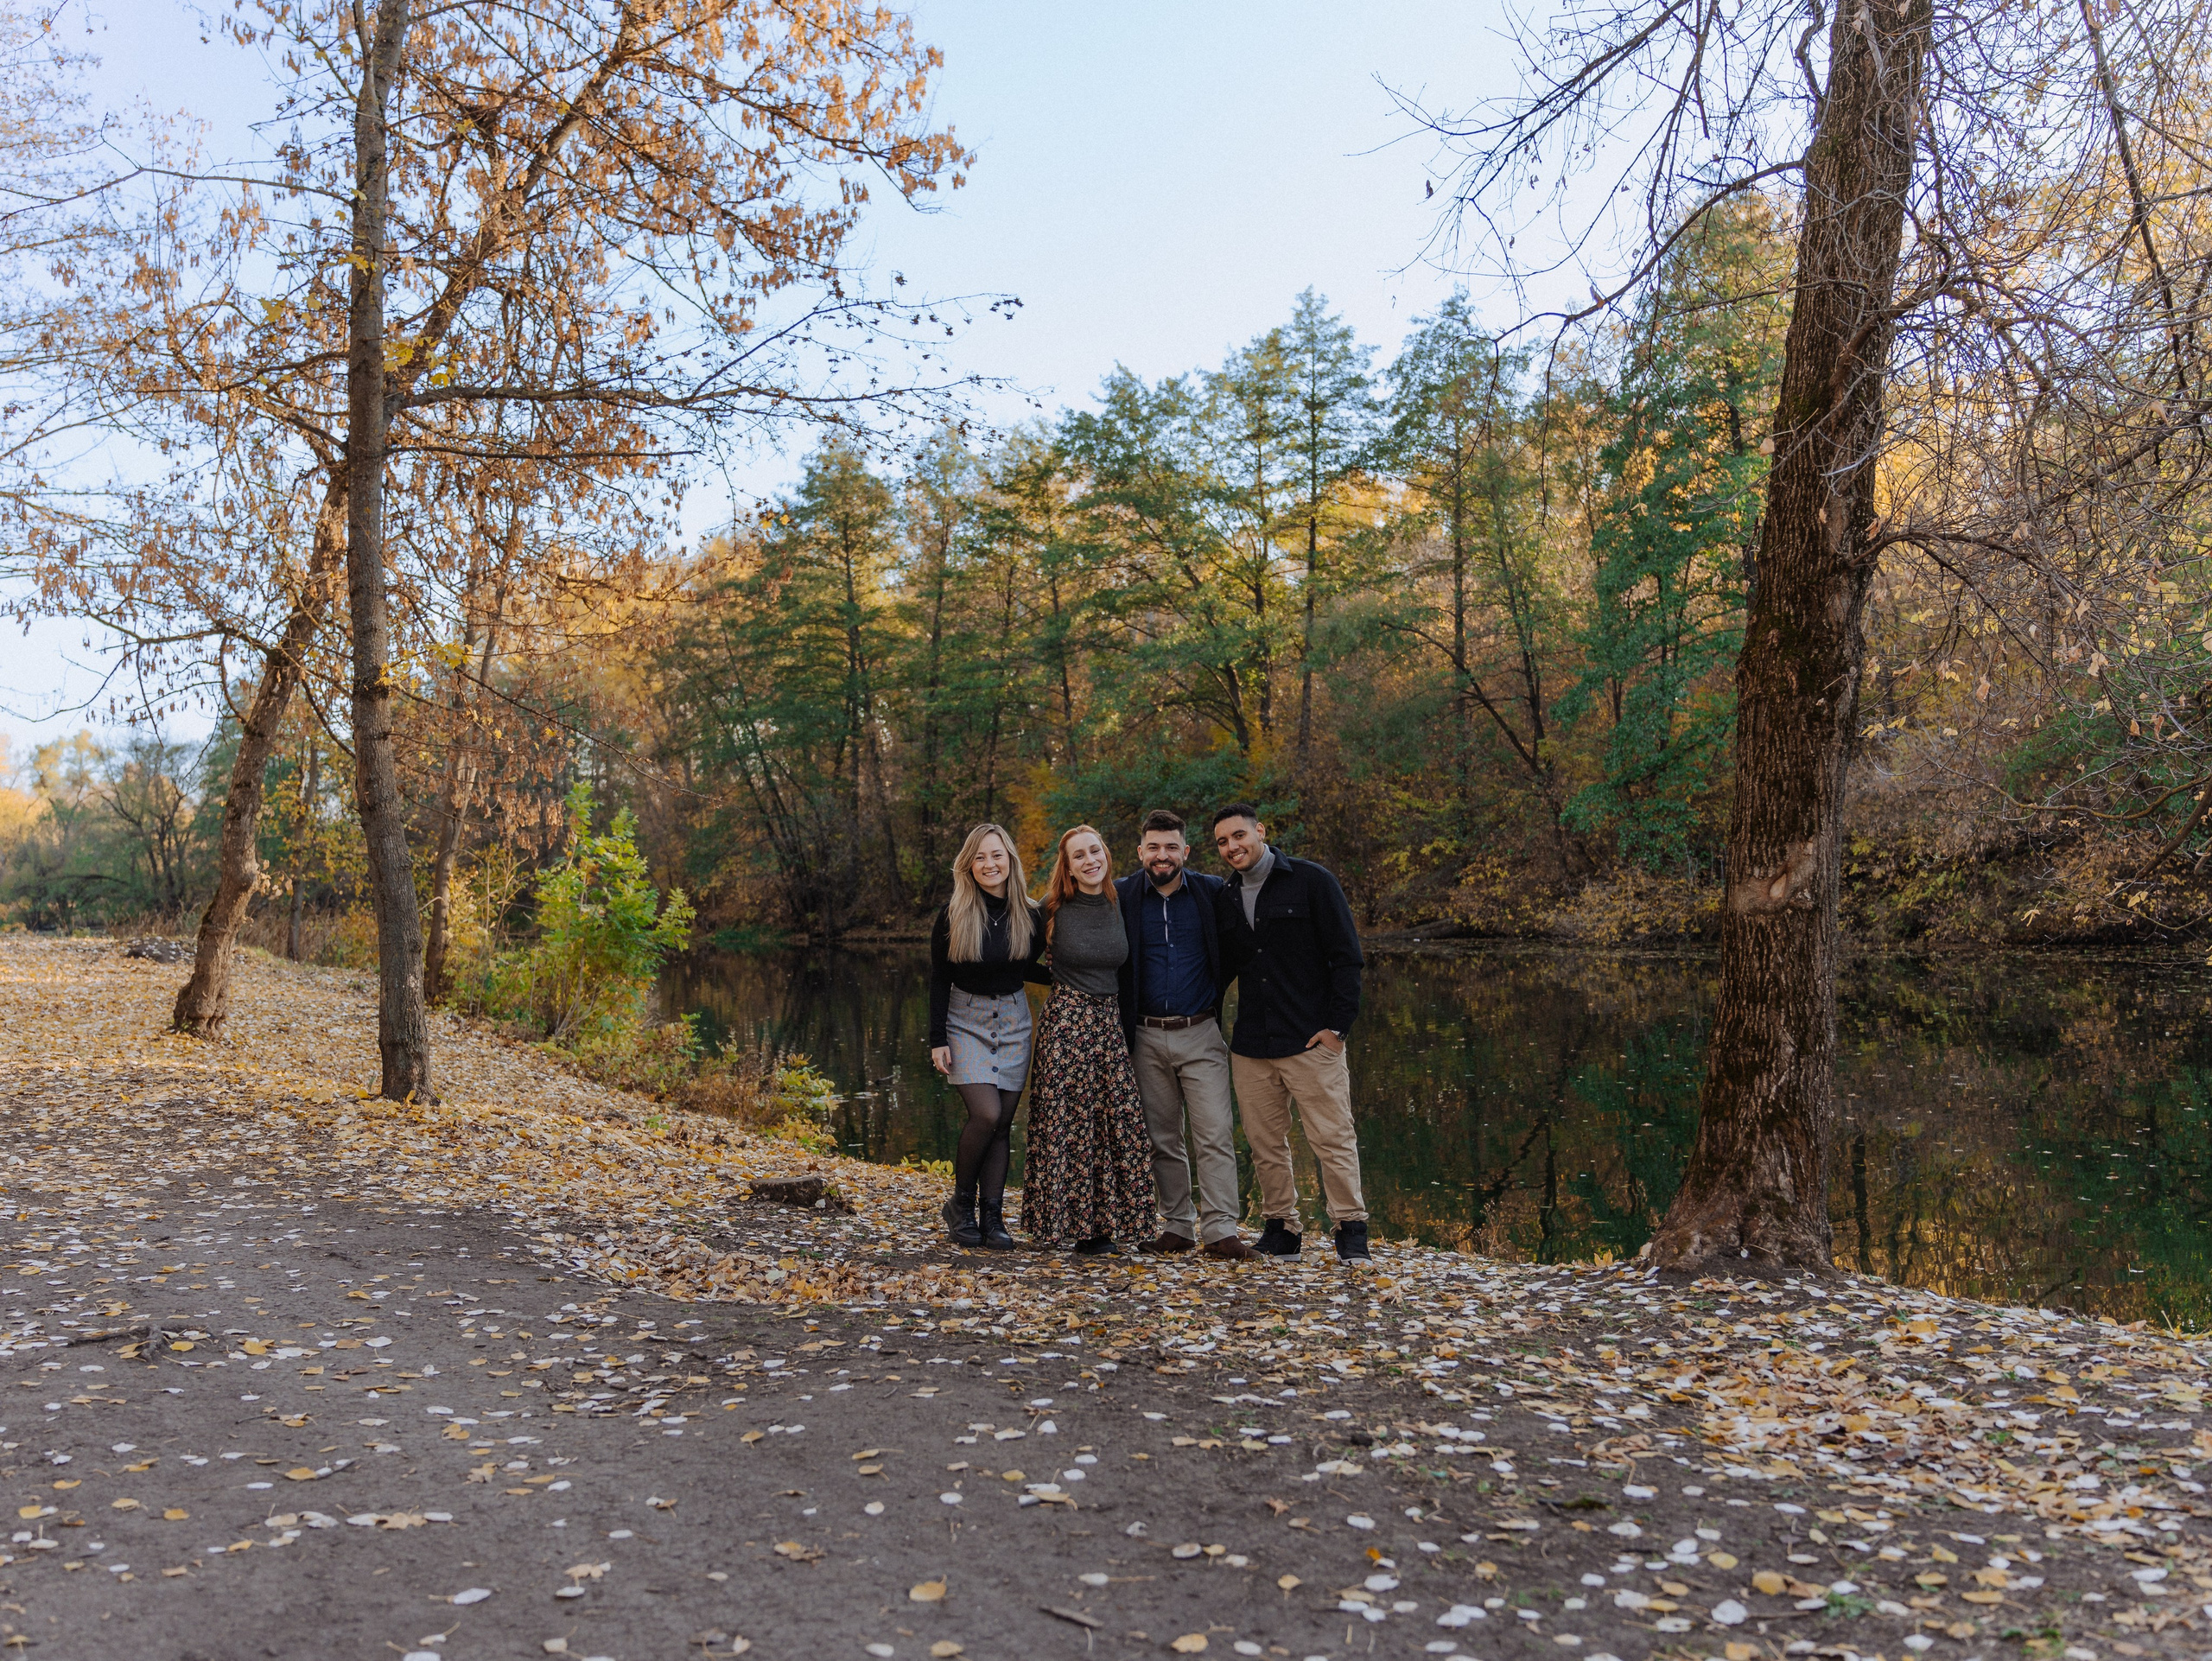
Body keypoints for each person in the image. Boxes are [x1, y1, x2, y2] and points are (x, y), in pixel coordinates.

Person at [1210, 803, 1370, 1262]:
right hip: (1253, 1044)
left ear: (1259, 831)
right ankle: (1282, 1228)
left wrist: (1338, 1028)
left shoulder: (1311, 880)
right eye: (1222, 842)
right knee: (1264, 1143)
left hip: (1310, 1040)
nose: (1231, 847)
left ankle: (1351, 1228)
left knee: (1332, 1138)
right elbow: (1222, 970)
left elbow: (1347, 957)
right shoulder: (1225, 897)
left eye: (1238, 836)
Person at [1114, 809, 1255, 1260]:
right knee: (1161, 1138)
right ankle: (1176, 1225)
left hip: (1200, 1032)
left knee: (1214, 1133)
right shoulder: (1120, 897)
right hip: (1144, 1035)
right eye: (1153, 847)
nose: (1162, 855)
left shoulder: (1213, 893)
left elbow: (1245, 947)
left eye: (1171, 846)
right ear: (1140, 852)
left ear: (1186, 851)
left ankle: (1221, 1230)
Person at [1020, 824, 1155, 1254]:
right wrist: (1061, 978)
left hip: (1110, 1023)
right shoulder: (1052, 907)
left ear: (1106, 853)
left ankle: (1108, 1226)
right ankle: (1073, 1228)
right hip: (1066, 1024)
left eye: (1094, 850)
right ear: (1068, 866)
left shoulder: (1123, 901)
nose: (1089, 860)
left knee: (1115, 1120)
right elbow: (1020, 961)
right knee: (1071, 1123)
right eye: (1078, 856)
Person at [928, 823, 1051, 1251]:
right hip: (965, 1021)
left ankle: (993, 1218)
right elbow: (939, 979)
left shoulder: (1030, 914)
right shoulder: (953, 914)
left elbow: (1023, 968)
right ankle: (960, 1208)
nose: (989, 864)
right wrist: (937, 1037)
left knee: (1003, 1125)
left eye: (996, 855)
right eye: (979, 857)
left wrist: (1074, 978)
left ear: (1010, 860)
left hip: (1014, 1020)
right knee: (986, 1115)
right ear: (969, 864)